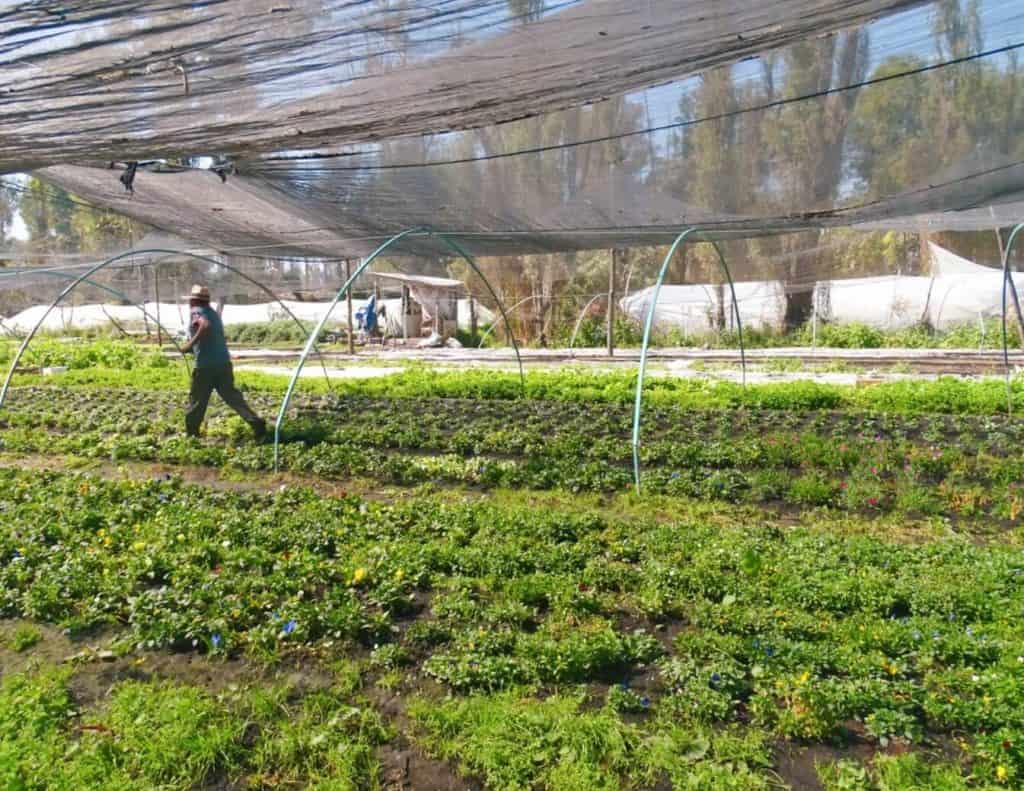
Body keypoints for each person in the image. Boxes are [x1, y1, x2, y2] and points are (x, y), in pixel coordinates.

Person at [180, 284, 267, 440]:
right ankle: (256, 422)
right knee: (232, 397)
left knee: (197, 401)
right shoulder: (213, 313)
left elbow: (204, 326)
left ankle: (191, 435)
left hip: (206, 367)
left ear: (194, 301)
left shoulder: (196, 312)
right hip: (223, 364)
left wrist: (189, 345)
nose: (189, 303)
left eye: (191, 300)